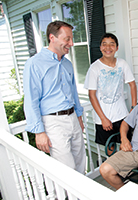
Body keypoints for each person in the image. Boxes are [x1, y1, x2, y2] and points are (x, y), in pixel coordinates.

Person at [23, 21, 86, 174]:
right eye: (67, 39)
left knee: (80, 164)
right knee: (67, 169)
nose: (71, 43)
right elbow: (31, 100)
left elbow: (73, 93)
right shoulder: (34, 64)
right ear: (52, 37)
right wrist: (39, 132)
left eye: (71, 39)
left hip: (72, 118)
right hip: (53, 122)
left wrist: (78, 117)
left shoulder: (67, 64)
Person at [84, 33, 137, 155]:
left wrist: (133, 108)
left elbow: (132, 84)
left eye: (112, 44)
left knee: (125, 144)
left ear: (117, 48)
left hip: (122, 114)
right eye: (104, 44)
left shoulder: (122, 64)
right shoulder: (94, 68)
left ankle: (125, 170)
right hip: (104, 118)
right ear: (100, 47)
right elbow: (92, 95)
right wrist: (103, 118)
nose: (108, 47)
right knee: (110, 147)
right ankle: (112, 171)